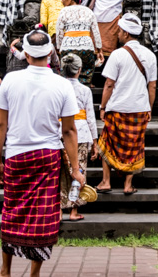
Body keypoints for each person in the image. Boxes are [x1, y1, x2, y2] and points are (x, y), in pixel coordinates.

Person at [0, 28, 85, 277]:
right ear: (51, 52)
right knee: (43, 214)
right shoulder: (62, 84)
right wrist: (76, 169)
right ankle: (34, 274)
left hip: (16, 155)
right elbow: (69, 131)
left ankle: (5, 271)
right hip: (47, 156)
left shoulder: (11, 80)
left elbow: (1, 124)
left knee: (12, 210)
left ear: (25, 54)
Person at [94, 13, 156, 195]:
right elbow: (152, 86)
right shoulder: (150, 55)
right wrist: (149, 108)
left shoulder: (118, 54)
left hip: (117, 107)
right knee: (134, 146)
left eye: (120, 31)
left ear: (127, 34)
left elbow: (109, 84)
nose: (118, 33)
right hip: (139, 108)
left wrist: (102, 107)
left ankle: (106, 181)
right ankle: (128, 185)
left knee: (107, 142)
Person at [59, 54, 98, 221]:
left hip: (59, 131)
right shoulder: (84, 90)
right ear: (79, 70)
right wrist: (95, 141)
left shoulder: (57, 88)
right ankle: (73, 210)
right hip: (81, 132)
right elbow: (90, 117)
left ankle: (58, 210)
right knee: (79, 169)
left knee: (60, 172)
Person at [55, 0, 103, 86]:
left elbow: (59, 32)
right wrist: (99, 50)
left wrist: (59, 48)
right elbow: (96, 32)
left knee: (67, 72)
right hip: (86, 48)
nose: (62, 1)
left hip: (68, 47)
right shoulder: (88, 11)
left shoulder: (64, 11)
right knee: (87, 70)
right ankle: (85, 86)